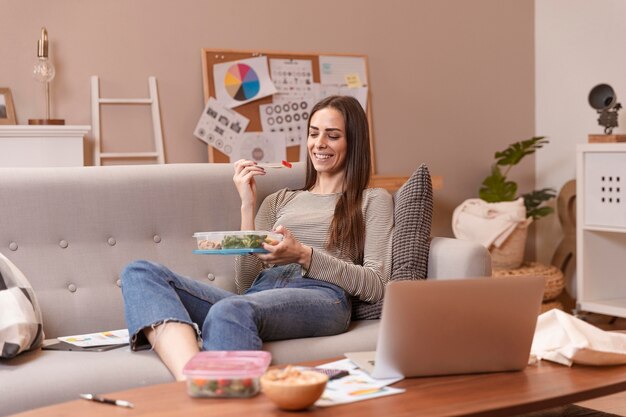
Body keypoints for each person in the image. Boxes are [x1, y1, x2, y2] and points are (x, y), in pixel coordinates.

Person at [121, 95, 393, 380]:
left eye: (333, 135)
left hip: (323, 297)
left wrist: (304, 256)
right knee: (140, 272)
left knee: (231, 309)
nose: (319, 143)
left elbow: (376, 286)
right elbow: (246, 283)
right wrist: (247, 205)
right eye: (313, 134)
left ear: (354, 142)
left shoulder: (371, 200)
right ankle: (192, 380)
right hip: (259, 295)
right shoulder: (279, 200)